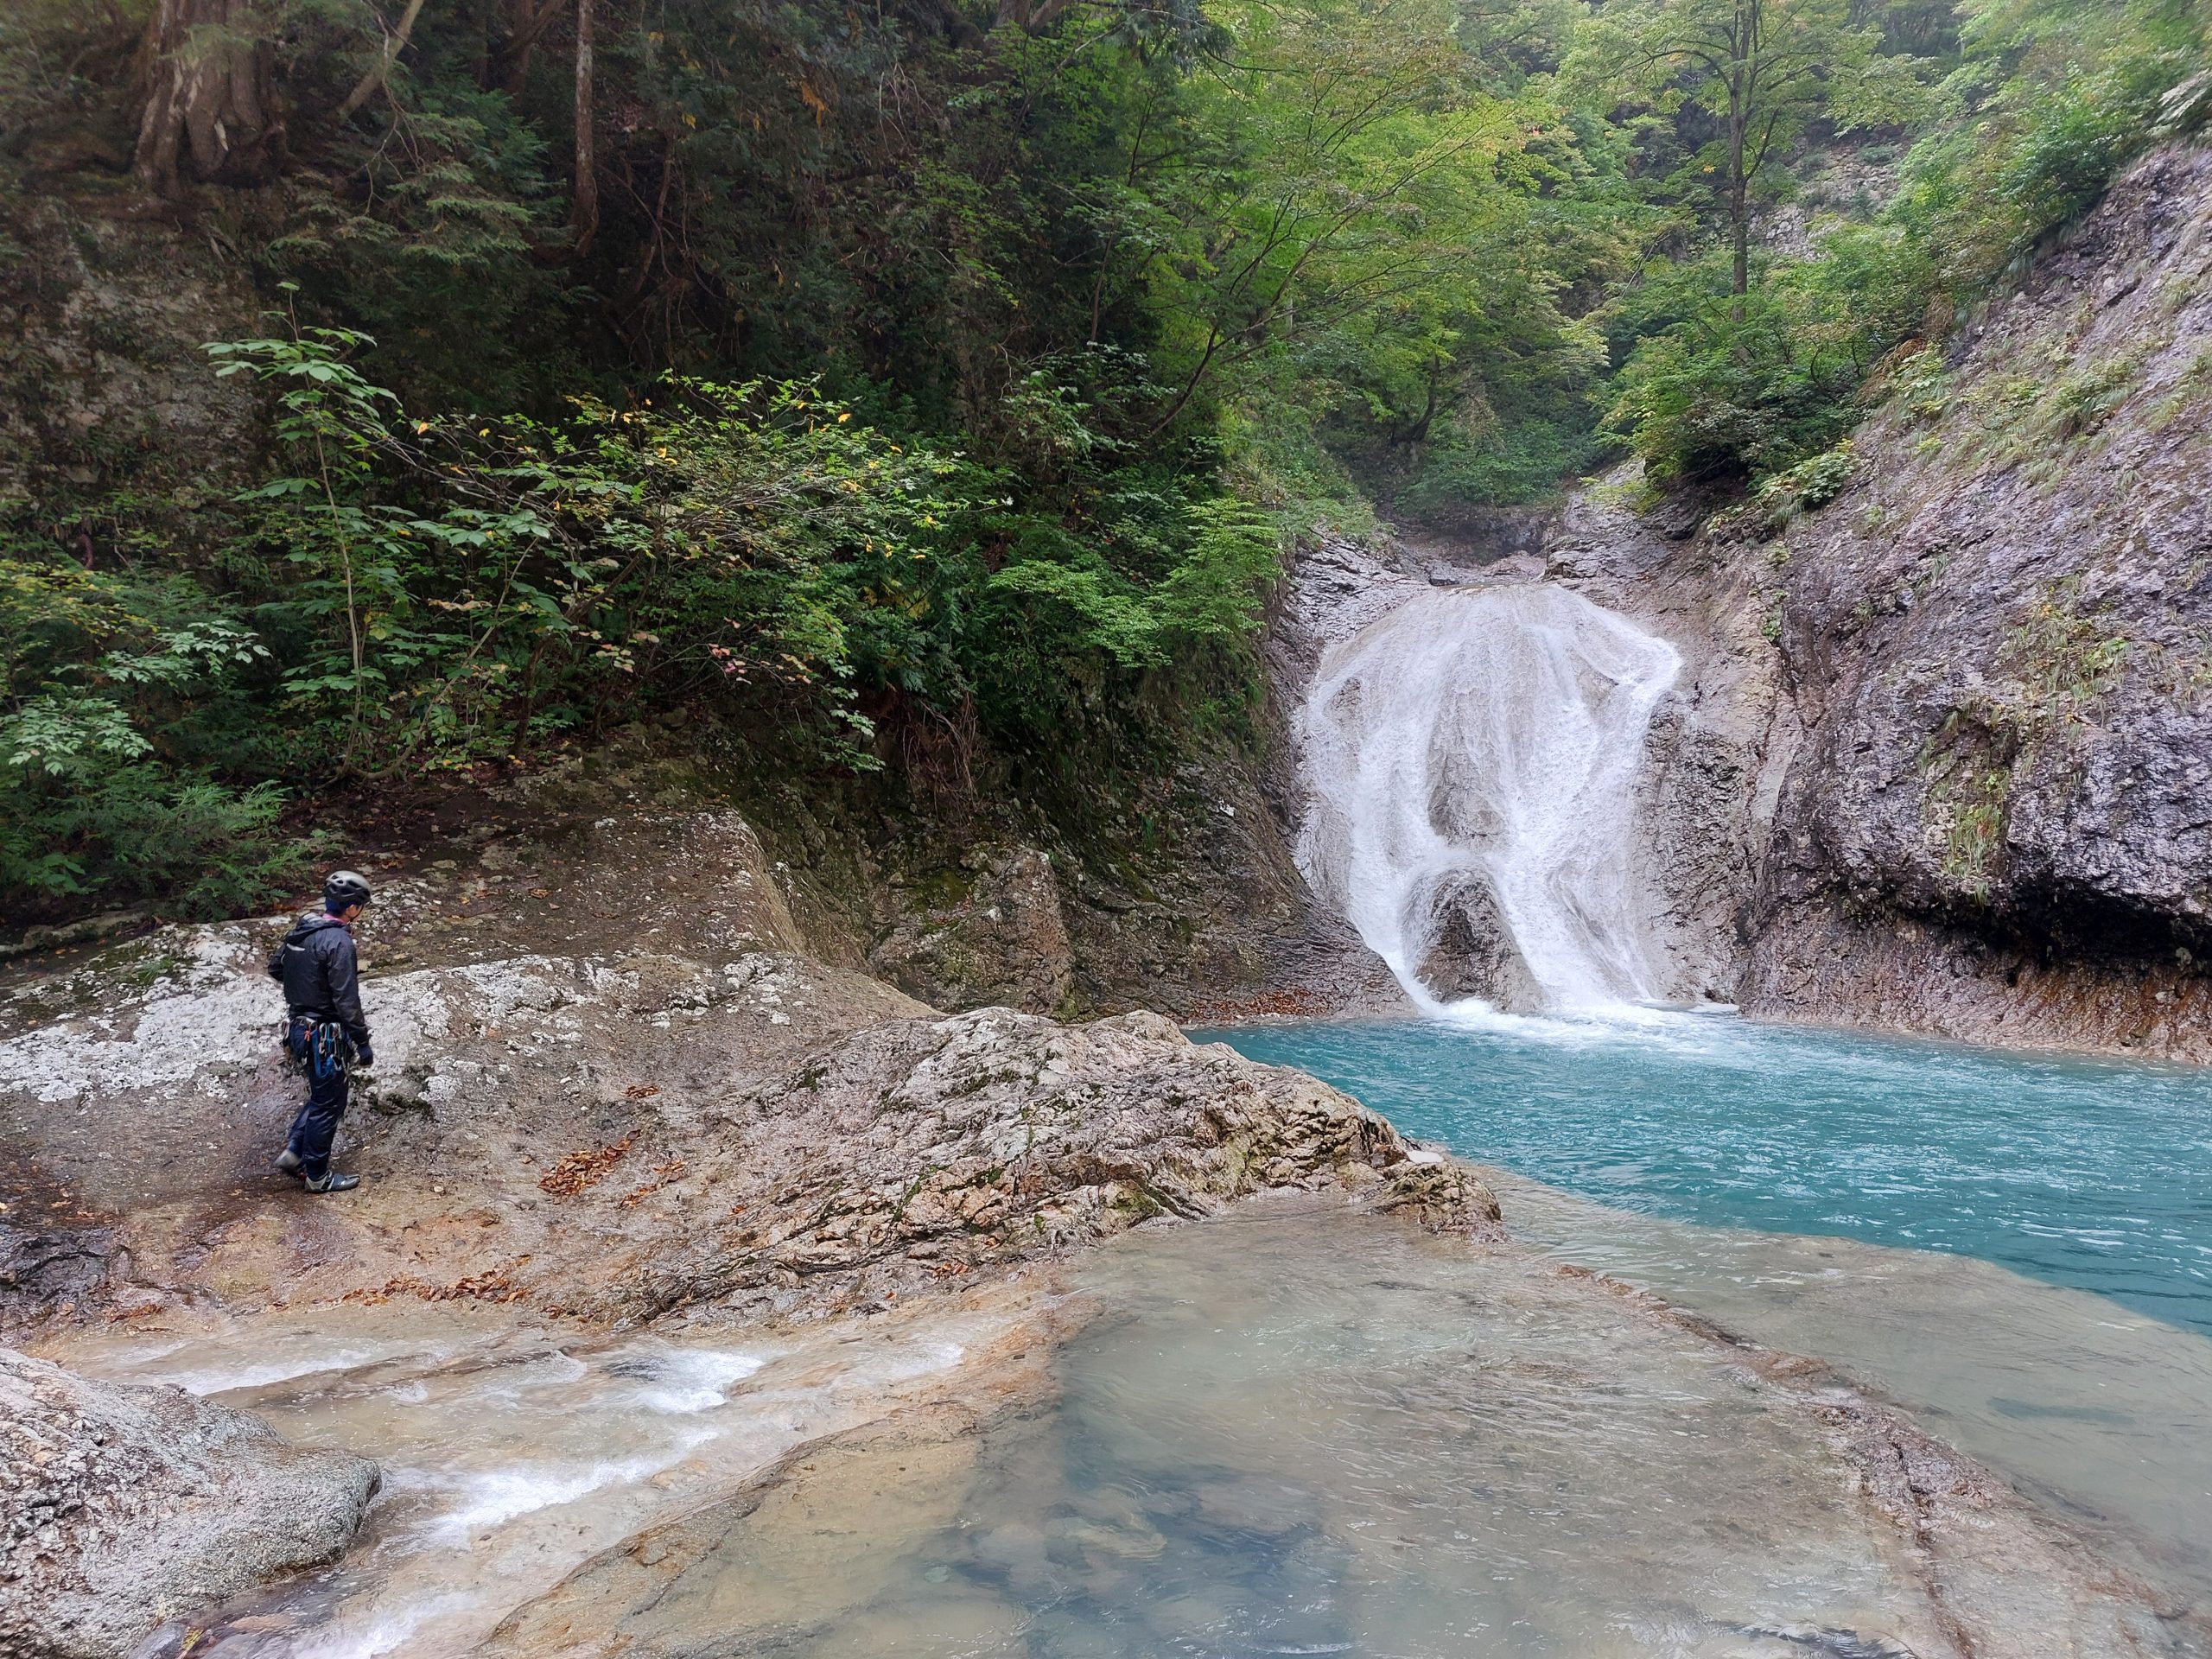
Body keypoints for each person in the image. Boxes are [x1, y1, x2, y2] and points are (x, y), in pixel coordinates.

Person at [267, 869, 376, 1194]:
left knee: (322, 1096)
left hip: (299, 1031)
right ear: (353, 908)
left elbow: (276, 968)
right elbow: (346, 999)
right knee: (330, 1103)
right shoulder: (339, 940)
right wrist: (362, 1042)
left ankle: (294, 1153)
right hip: (325, 1038)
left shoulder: (302, 930)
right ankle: (317, 1176)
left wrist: (305, 990)